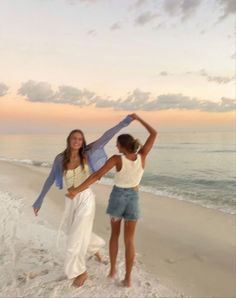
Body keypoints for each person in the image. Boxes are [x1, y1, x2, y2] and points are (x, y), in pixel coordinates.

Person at [32, 115, 133, 287]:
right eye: (74, 138)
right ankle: (95, 249)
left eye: (80, 139)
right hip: (70, 201)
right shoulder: (60, 159)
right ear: (69, 140)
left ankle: (81, 272)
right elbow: (50, 179)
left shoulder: (88, 153)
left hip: (86, 199)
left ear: (83, 141)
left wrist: (124, 123)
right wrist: (39, 200)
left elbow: (106, 136)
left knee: (72, 242)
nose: (77, 141)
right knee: (75, 233)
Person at [67, 113, 157, 287]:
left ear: (122, 146)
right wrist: (139, 119)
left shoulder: (117, 159)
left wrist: (77, 189)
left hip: (117, 198)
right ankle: (128, 279)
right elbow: (154, 133)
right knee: (129, 240)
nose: (115, 146)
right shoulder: (142, 156)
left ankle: (113, 270)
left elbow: (96, 175)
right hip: (133, 198)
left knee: (114, 236)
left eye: (117, 144)